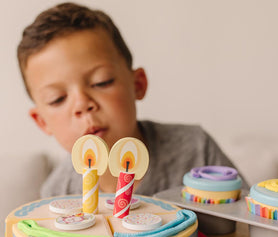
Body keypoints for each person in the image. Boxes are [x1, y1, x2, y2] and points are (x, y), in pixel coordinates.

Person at [18, 2, 242, 198]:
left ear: (138, 85)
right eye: (57, 99)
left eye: (101, 82)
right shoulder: (58, 193)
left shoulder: (196, 150)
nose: (82, 105)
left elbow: (246, 228)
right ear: (42, 122)